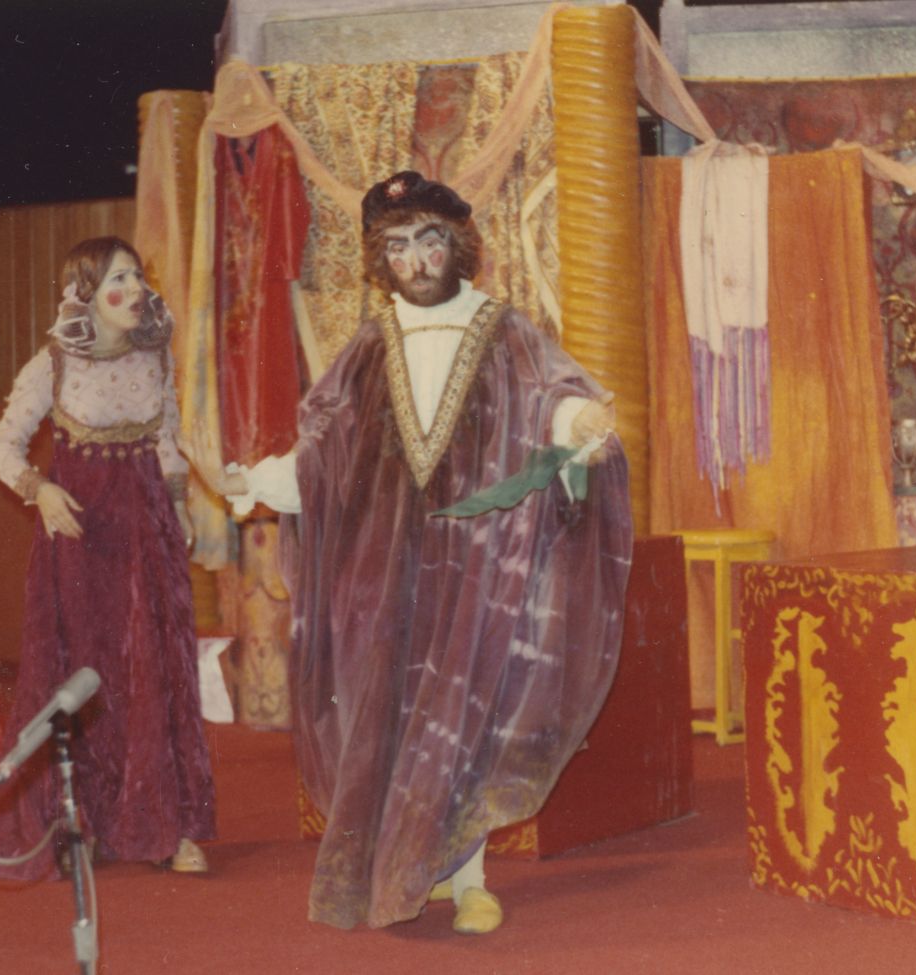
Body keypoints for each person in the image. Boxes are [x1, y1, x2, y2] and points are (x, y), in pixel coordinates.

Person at [222, 172, 632, 933]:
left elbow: (550, 395)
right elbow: (325, 445)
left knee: (460, 713)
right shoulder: (369, 345)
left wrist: (577, 422)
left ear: (458, 244)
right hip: (382, 566)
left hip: (475, 561)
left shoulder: (502, 329)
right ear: (381, 259)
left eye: (430, 240)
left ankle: (469, 878)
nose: (416, 260)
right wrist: (261, 481)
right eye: (398, 247)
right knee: (389, 710)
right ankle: (409, 865)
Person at [0, 236, 215, 881]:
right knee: (83, 672)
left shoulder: (154, 355)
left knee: (153, 670)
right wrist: (39, 489)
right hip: (81, 539)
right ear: (85, 294)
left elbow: (167, 439)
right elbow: (5, 445)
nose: (134, 289)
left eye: (137, 276)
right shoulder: (54, 364)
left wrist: (180, 507)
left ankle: (165, 827)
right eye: (118, 279)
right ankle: (76, 820)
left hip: (146, 533)